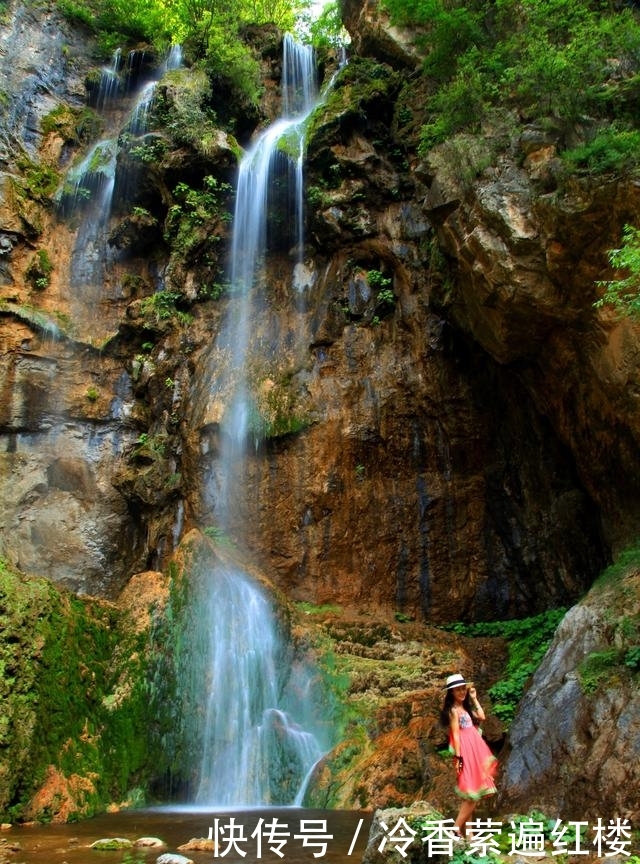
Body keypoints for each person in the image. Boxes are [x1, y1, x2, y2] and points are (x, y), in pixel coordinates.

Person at [440, 673, 497, 840]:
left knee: (472, 793)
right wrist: (458, 759)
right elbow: (456, 735)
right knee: (472, 794)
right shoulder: (452, 711)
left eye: (463, 689)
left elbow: (483, 716)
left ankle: (470, 835)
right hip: (466, 752)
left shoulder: (465, 708)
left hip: (475, 751)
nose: (462, 692)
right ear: (451, 693)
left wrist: (474, 698)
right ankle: (455, 830)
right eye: (458, 690)